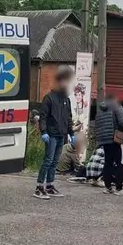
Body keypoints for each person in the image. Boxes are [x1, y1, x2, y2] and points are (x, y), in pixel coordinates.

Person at [36, 67, 75, 199]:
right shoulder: (49, 98)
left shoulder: (66, 100)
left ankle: (50, 185)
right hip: (51, 134)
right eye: (62, 81)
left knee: (54, 162)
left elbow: (69, 118)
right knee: (48, 160)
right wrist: (43, 131)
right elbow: (43, 116)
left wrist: (71, 133)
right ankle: (39, 186)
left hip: (61, 135)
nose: (64, 84)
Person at [94, 93, 123, 196]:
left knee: (108, 162)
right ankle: (119, 188)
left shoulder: (100, 109)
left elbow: (97, 124)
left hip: (104, 139)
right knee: (120, 162)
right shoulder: (117, 106)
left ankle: (108, 187)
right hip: (116, 138)